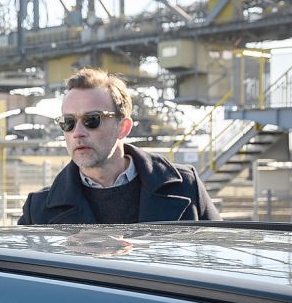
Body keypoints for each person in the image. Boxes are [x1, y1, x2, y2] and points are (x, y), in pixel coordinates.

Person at [19, 68, 221, 224]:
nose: (77, 132)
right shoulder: (38, 211)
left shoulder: (186, 187)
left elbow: (220, 262)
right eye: (68, 122)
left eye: (92, 120)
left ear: (123, 128)